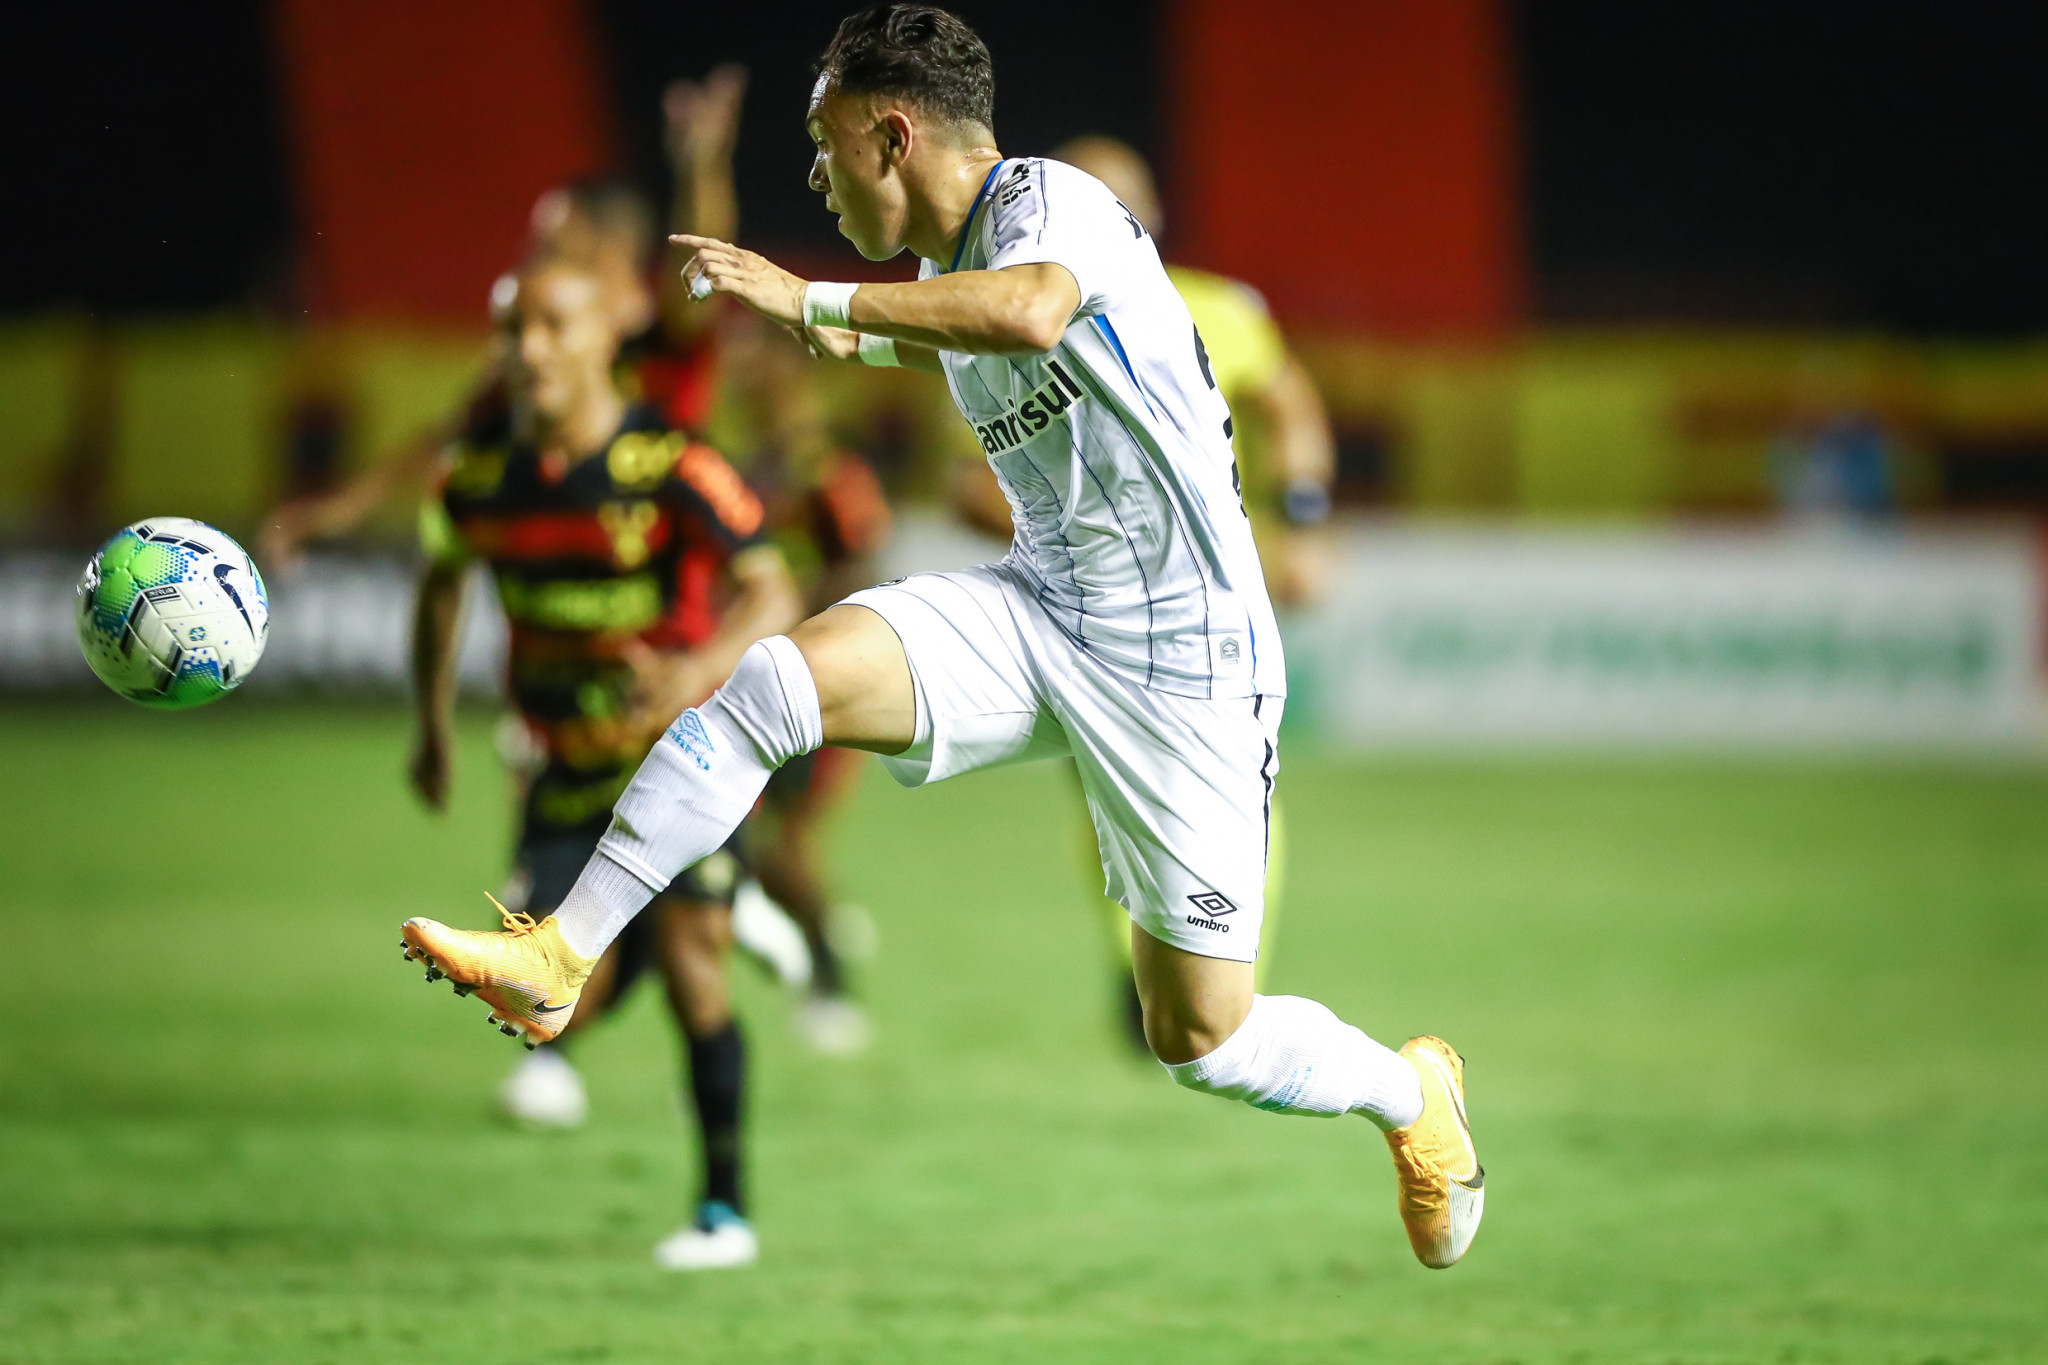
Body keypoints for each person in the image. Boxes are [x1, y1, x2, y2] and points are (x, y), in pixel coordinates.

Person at [399, 3, 1484, 1270]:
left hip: (1186, 666)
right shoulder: (941, 273)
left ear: (891, 136)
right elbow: (955, 336)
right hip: (1041, 610)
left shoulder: (1051, 204)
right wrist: (819, 330)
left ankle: (1411, 1098)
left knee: (1199, 1037)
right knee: (775, 682)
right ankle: (559, 954)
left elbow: (1025, 313)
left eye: (824, 150)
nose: (817, 179)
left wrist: (808, 295)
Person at [409, 248, 802, 1270]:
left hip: (676, 767)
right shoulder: (477, 477)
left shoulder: (670, 465)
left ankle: (723, 1211)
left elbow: (773, 589)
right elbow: (441, 587)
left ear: (605, 337)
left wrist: (695, 672)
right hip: (563, 774)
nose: (530, 349)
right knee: (562, 979)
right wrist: (432, 725)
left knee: (695, 973)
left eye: (554, 326)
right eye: (514, 329)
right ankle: (656, 964)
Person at [948, 134, 1338, 1051]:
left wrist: (1305, 521)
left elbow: (1291, 406)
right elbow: (965, 483)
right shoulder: (1007, 320)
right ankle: (1139, 962)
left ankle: (1234, 971)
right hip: (1087, 614)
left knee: (1237, 787)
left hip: (1203, 605)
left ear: (1145, 214)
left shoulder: (1217, 309)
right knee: (1106, 794)